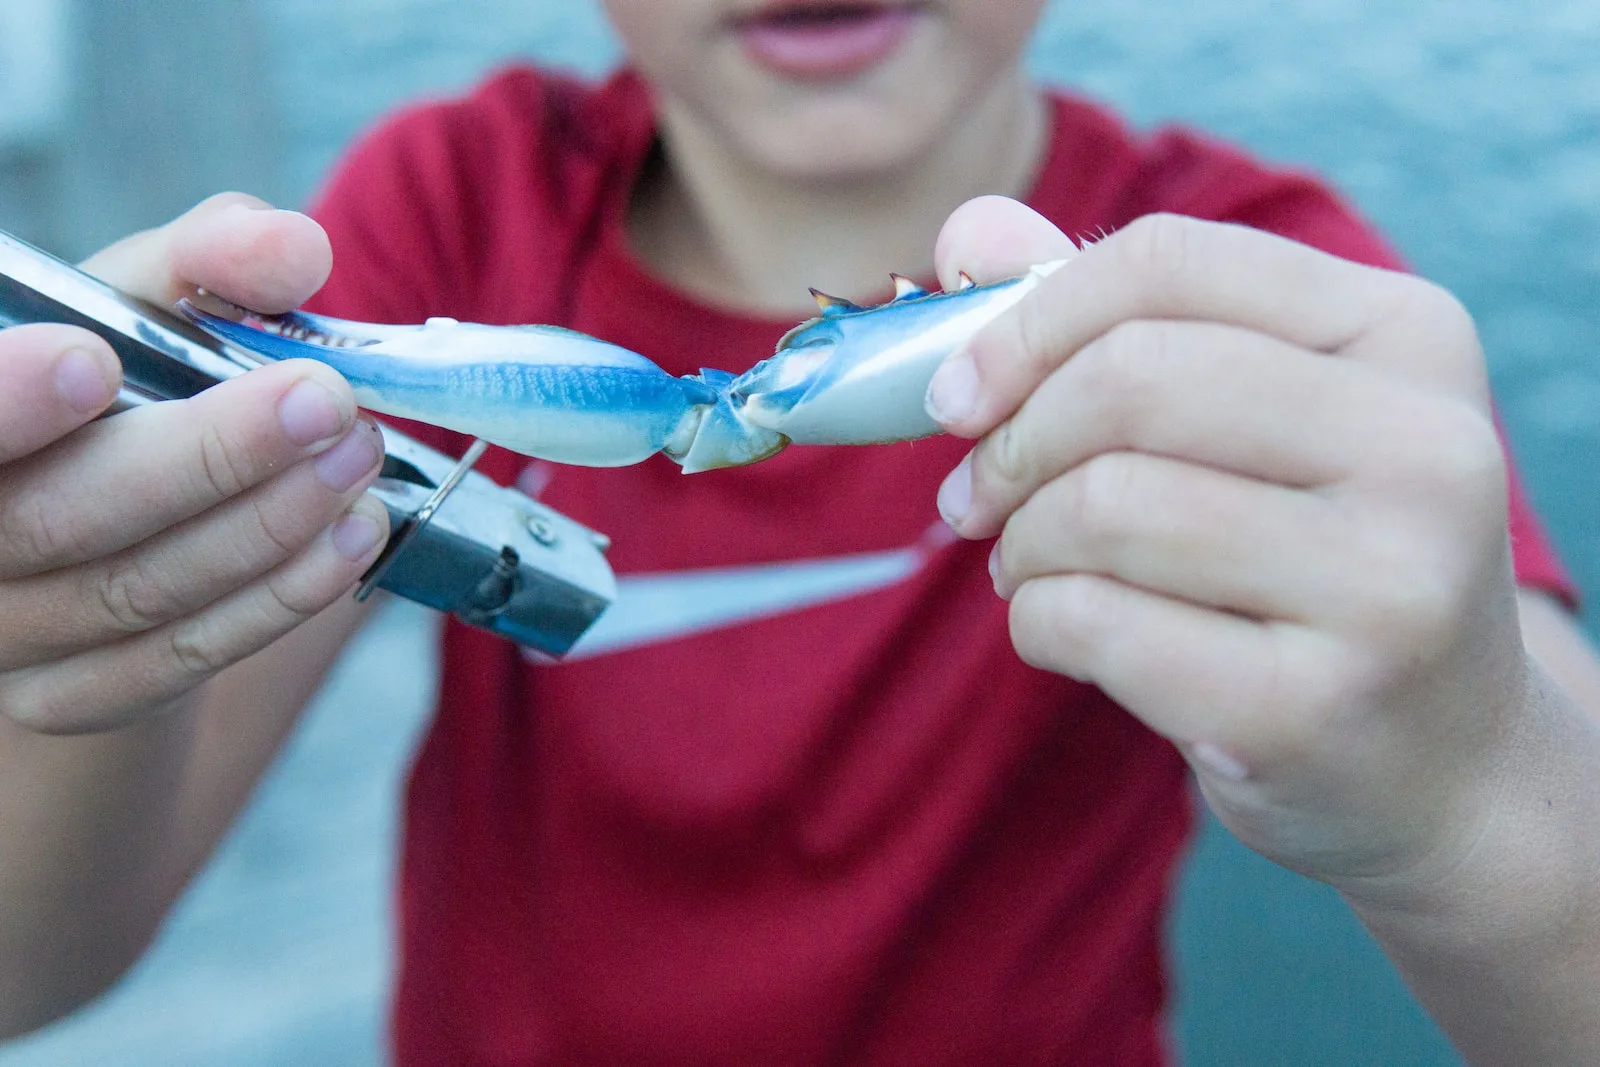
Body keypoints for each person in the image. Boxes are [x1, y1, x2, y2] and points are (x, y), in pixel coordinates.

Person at [1, 1, 1597, 1063]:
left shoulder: (1237, 289)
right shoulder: (457, 200)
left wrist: (1462, 788)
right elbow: (32, 962)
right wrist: (105, 597)